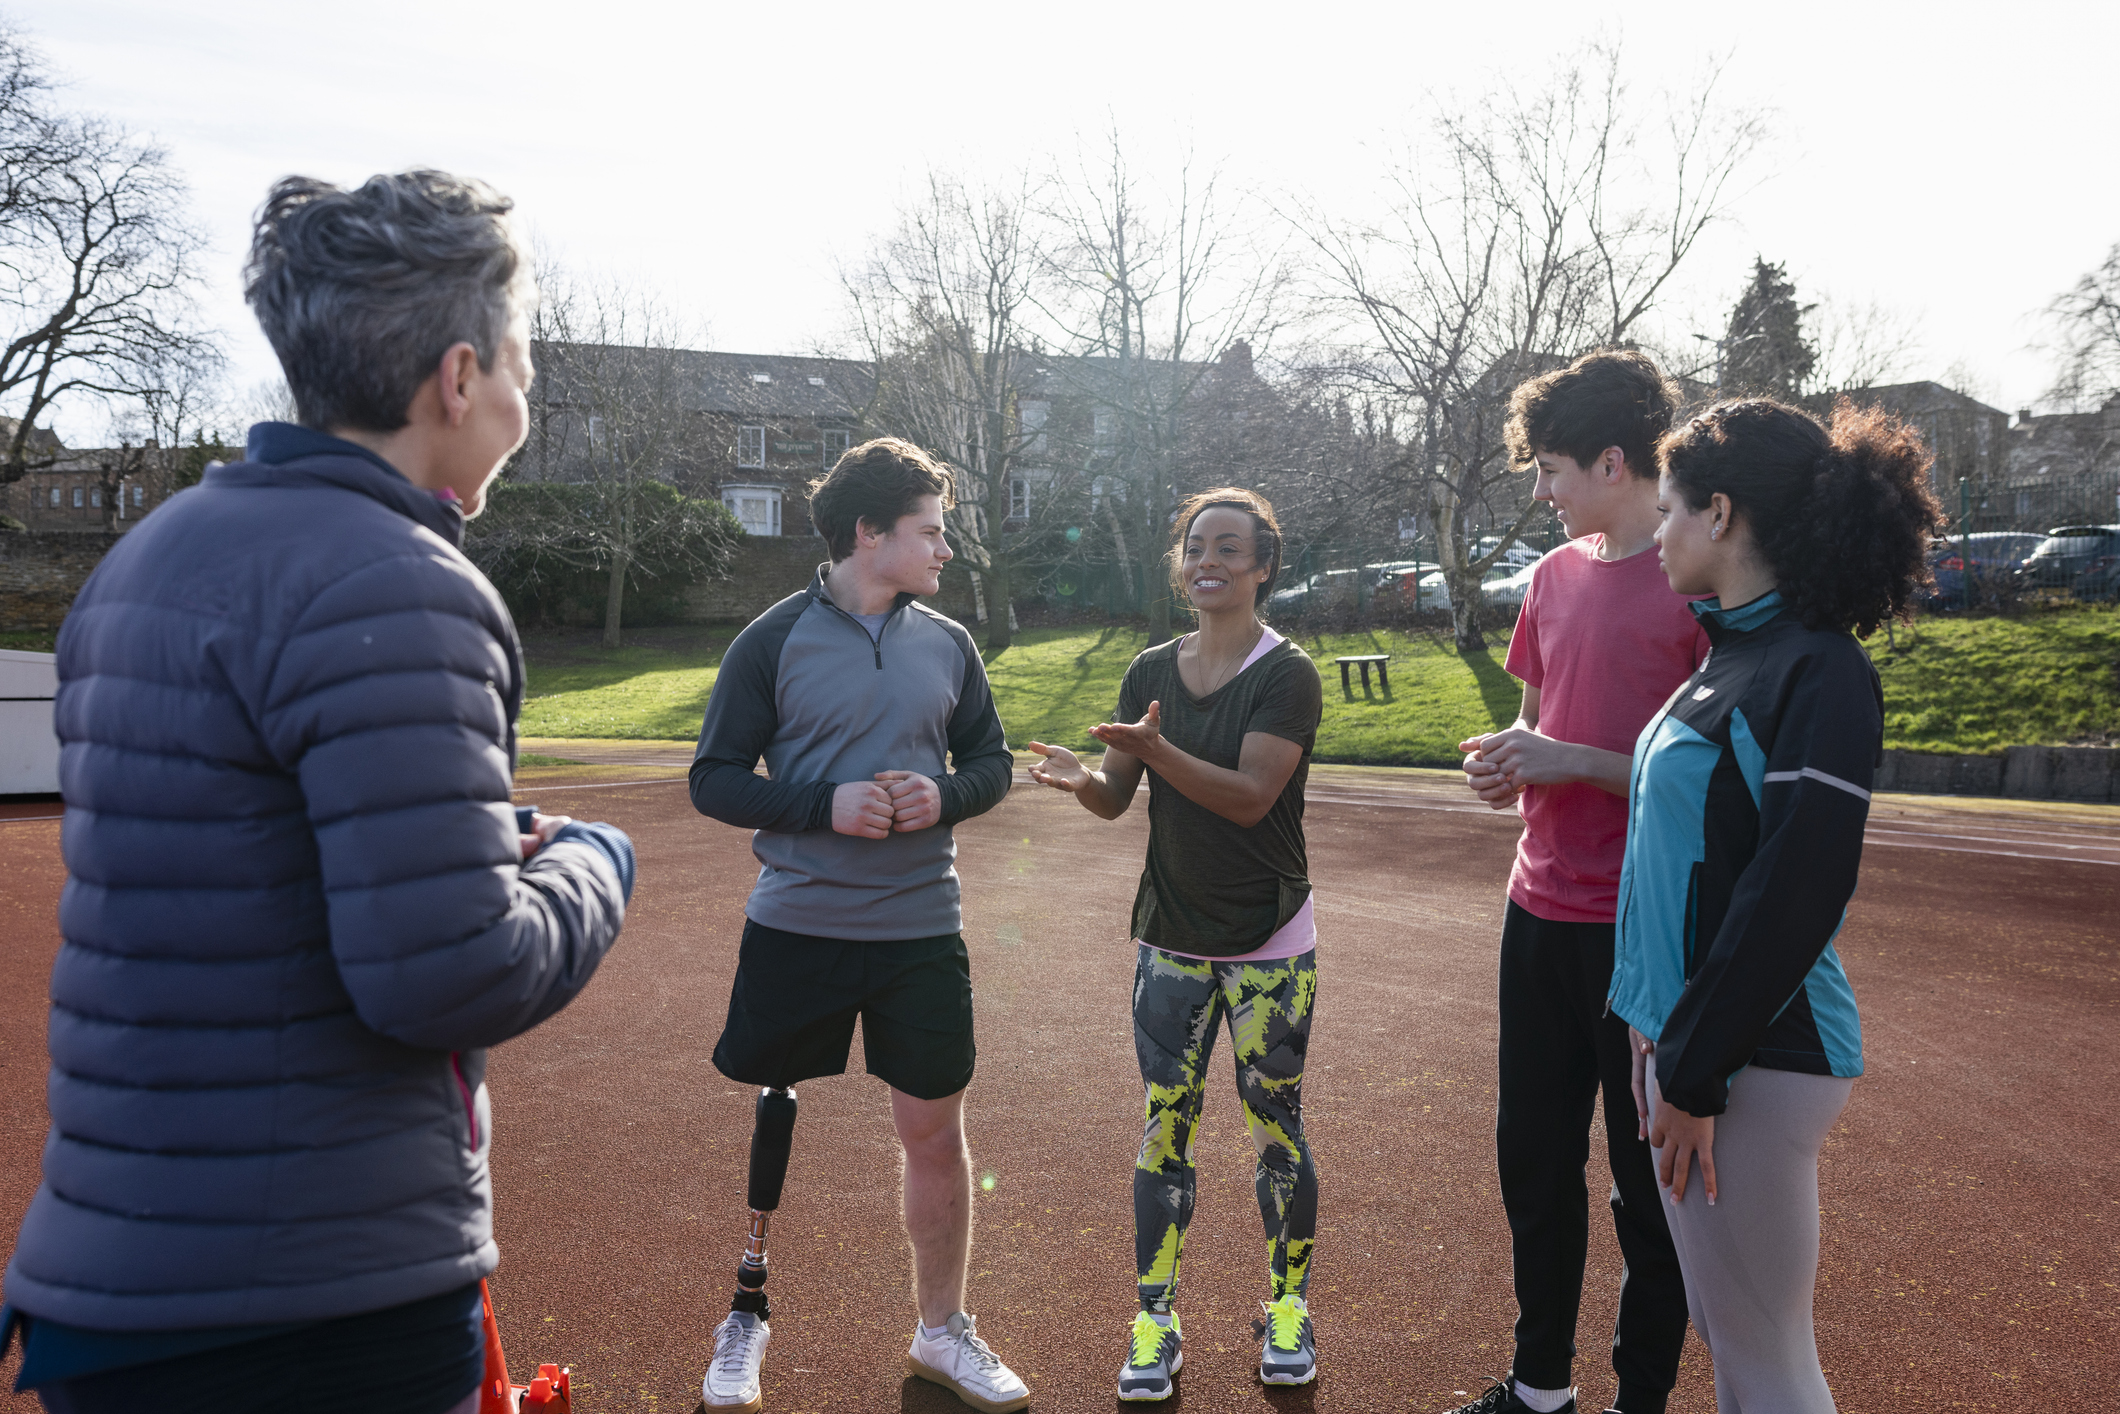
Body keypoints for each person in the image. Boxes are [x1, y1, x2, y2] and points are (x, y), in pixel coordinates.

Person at [0, 171, 635, 1414]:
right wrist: (592, 863)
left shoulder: (146, 557)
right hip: (317, 1305)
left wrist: (454, 840)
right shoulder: (401, 582)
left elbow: (231, 854)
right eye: (519, 363)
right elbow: (449, 974)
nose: (524, 395)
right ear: (458, 378)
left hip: (112, 1282)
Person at [687, 437, 1025, 1414]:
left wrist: (944, 795)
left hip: (922, 930)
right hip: (800, 924)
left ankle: (939, 1330)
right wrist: (820, 804)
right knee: (773, 1097)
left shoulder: (948, 644)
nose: (944, 550)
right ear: (869, 534)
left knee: (934, 1128)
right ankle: (744, 1315)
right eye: (930, 531)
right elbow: (712, 779)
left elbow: (990, 762)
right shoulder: (771, 640)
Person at [1612, 397, 1937, 1413]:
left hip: (1750, 1058)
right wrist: (1660, 1048)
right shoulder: (1726, 658)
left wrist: (1695, 1069)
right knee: (1731, 1335)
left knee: (1764, 1358)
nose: (1655, 532)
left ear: (1718, 513)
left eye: (1666, 508)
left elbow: (1799, 882)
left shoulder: (1817, 667)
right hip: (1683, 1049)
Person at [1026, 487, 1325, 1402]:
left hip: (1271, 943)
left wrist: (1151, 756)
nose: (1210, 561)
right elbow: (1121, 797)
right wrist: (1084, 780)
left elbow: (1246, 796)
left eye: (1231, 548)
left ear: (1263, 566)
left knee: (1276, 1129)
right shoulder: (1150, 666)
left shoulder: (1288, 673)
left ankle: (1287, 1308)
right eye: (1197, 545)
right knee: (1166, 1129)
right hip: (1170, 940)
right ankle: (1155, 1321)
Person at [1449, 351, 1701, 1414]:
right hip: (1534, 912)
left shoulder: (1697, 587)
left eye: (1549, 471)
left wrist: (1570, 763)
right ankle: (1537, 1388)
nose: (1540, 494)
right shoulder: (1549, 581)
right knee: (1531, 1165)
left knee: (1644, 1189)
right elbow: (1535, 722)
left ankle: (1634, 1401)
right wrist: (1506, 761)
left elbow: (1707, 788)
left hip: (1638, 933)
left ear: (1610, 460)